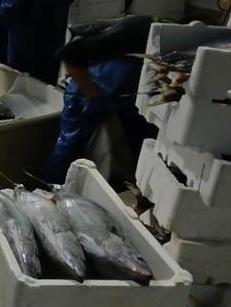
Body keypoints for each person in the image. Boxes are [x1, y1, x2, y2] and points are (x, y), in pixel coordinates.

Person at [43, 15, 159, 184]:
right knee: (68, 145)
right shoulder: (131, 34)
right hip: (85, 97)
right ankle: (48, 186)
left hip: (119, 98)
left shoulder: (161, 41)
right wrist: (92, 93)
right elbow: (67, 54)